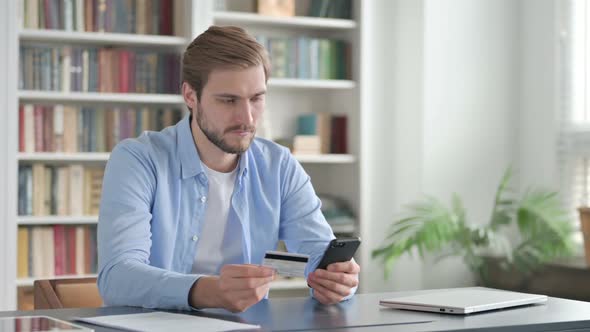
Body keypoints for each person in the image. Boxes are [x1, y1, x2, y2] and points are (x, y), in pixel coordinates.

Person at [97, 25, 360, 313]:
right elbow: (117, 278)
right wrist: (206, 290)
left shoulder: (279, 166)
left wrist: (340, 281)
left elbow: (318, 254)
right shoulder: (138, 160)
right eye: (228, 100)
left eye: (256, 98)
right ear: (190, 96)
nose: (246, 117)